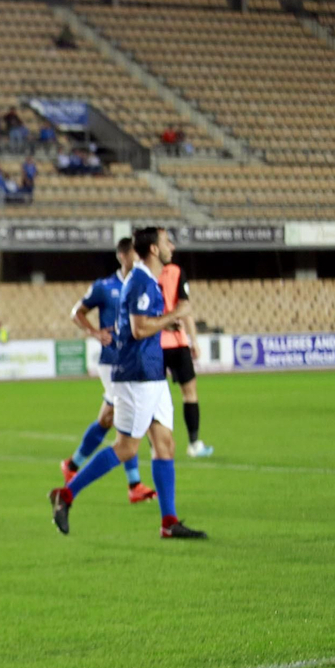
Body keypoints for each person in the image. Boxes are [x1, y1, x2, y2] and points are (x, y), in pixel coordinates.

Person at [49, 227, 206, 539]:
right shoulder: (141, 280)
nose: (171, 246)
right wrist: (175, 313)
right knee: (125, 447)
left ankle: (169, 523)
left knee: (165, 445)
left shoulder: (146, 281)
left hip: (153, 373)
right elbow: (138, 329)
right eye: (166, 242)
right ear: (152, 249)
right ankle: (65, 495)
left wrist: (167, 320)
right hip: (136, 376)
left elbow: (145, 324)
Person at [60, 239, 156, 503]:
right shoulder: (105, 287)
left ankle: (72, 465)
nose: (138, 260)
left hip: (133, 361)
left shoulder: (141, 284)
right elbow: (76, 312)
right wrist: (94, 332)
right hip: (112, 361)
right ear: (122, 256)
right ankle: (134, 484)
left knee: (107, 419)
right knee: (126, 416)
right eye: (134, 255)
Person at [159, 252, 213, 457]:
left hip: (153, 342)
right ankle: (194, 444)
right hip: (176, 342)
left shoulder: (143, 273)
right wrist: (193, 340)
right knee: (189, 393)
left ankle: (157, 445)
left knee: (153, 397)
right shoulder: (175, 272)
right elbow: (185, 308)